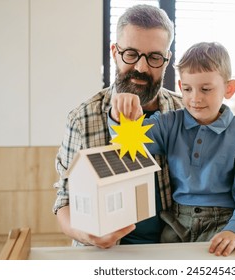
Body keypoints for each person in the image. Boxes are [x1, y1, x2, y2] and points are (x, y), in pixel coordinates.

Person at [109, 42, 235, 256]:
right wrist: (120, 113)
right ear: (180, 86)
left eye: (206, 89)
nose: (195, 98)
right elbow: (127, 144)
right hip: (175, 224)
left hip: (222, 224)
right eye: (187, 89)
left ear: (228, 89)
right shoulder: (169, 123)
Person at [52, 4, 183, 248]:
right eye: (131, 54)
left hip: (170, 250)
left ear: (166, 60)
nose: (141, 68)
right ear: (114, 52)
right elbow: (65, 201)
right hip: (103, 255)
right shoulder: (82, 118)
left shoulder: (184, 113)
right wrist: (88, 235)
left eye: (154, 57)